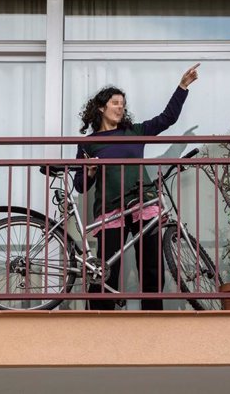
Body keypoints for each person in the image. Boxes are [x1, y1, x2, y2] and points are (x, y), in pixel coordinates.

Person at [74, 63, 200, 310]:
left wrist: (182, 86)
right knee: (107, 269)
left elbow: (167, 119)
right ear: (101, 108)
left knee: (151, 264)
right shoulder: (88, 143)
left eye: (122, 103)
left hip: (144, 203)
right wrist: (88, 172)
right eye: (115, 103)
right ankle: (100, 318)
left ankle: (152, 318)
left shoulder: (134, 131)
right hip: (110, 210)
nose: (120, 107)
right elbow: (80, 186)